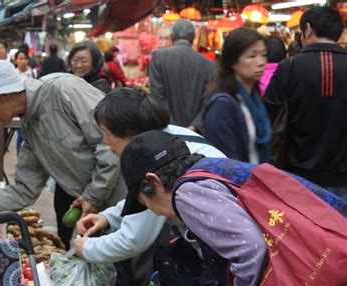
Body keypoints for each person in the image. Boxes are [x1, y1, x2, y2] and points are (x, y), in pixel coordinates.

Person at [118, 130, 346, 286]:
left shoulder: (185, 193)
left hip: (317, 284)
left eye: (145, 202)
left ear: (154, 181)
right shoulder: (211, 169)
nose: (154, 212)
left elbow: (251, 248)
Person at [0, 61, 126, 249]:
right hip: (99, 214)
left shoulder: (63, 91)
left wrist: (93, 195)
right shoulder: (31, 127)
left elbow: (110, 141)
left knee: (140, 271)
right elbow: (25, 188)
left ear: (4, 97)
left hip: (130, 200)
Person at [72, 87, 226, 286]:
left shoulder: (157, 159)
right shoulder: (170, 136)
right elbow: (143, 200)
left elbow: (134, 239)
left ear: (130, 134)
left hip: (226, 252)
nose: (106, 142)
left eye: (107, 134)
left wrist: (87, 249)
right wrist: (108, 217)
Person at [264, 7, 347, 198]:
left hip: (298, 176)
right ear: (339, 32)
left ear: (307, 29)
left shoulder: (290, 67)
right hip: (343, 177)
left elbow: (268, 114)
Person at [203, 28, 271, 164]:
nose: (261, 62)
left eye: (263, 55)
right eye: (252, 56)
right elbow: (225, 162)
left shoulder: (254, 98)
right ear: (233, 62)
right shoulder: (222, 106)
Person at [149, 19, 215, 131]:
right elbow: (209, 102)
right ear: (193, 39)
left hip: (168, 131)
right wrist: (193, 127)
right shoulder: (209, 65)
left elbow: (157, 98)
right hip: (197, 135)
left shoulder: (158, 57)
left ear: (171, 37)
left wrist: (175, 127)